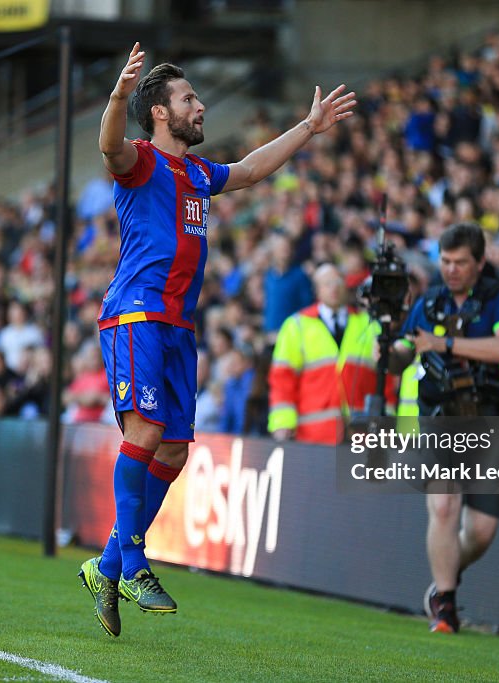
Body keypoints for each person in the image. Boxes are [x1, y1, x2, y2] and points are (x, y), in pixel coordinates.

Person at [78, 42, 356, 638]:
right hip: (137, 316)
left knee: (174, 451)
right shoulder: (143, 161)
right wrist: (120, 94)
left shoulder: (198, 173)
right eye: (188, 98)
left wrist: (308, 128)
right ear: (160, 112)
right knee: (146, 433)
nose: (200, 106)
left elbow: (253, 170)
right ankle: (132, 563)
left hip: (179, 325)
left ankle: (104, 567)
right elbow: (108, 146)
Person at [389, 222, 499, 634]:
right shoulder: (429, 303)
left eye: (460, 263)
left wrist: (442, 344)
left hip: (490, 420)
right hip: (440, 418)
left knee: (481, 532)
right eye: (445, 262)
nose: (451, 270)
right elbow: (401, 353)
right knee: (445, 506)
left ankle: (445, 574)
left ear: (480, 262)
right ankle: (446, 606)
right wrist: (388, 343)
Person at [267, 264, 388, 444]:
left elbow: (385, 378)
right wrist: (282, 423)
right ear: (316, 290)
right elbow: (282, 379)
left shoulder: (369, 325)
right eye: (327, 283)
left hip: (361, 434)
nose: (334, 287)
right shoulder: (296, 326)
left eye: (338, 281)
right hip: (314, 434)